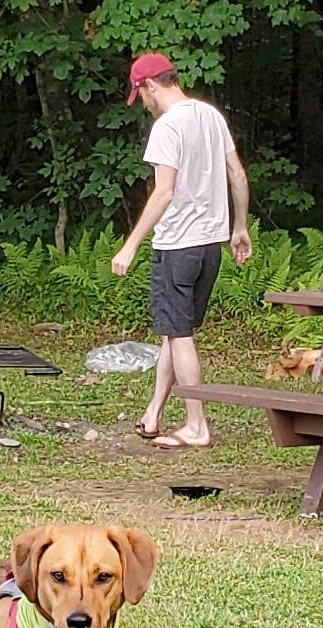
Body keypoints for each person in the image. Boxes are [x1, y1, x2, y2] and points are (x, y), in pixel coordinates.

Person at [104, 51, 253, 449]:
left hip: (177, 246)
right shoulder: (209, 115)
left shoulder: (167, 127)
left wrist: (130, 245)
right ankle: (153, 412)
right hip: (210, 248)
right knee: (176, 331)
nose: (145, 106)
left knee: (179, 333)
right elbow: (237, 173)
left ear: (150, 86)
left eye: (142, 96)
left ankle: (196, 425)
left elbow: (164, 192)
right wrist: (239, 227)